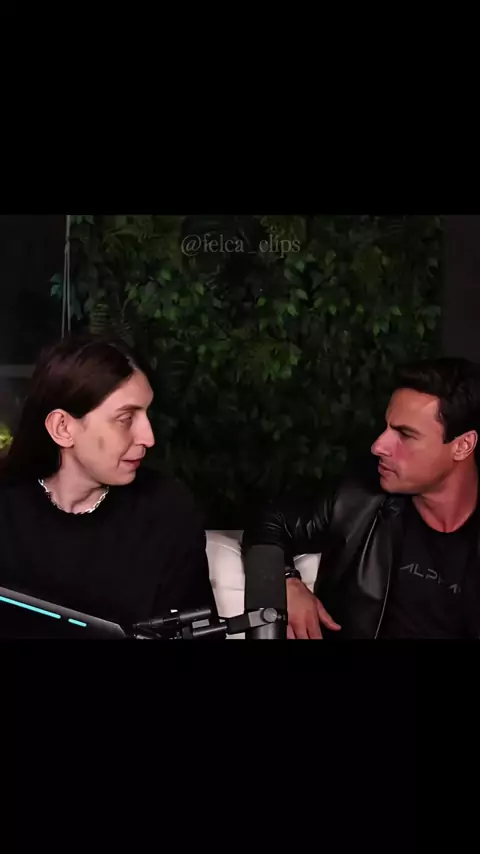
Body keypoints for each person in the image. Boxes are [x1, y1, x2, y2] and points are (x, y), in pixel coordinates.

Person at [241, 357, 480, 639]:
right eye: (386, 427)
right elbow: (268, 520)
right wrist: (285, 583)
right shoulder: (359, 499)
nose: (378, 445)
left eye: (405, 435)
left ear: (463, 446)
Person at [0, 332, 217, 636]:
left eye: (146, 414)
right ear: (63, 428)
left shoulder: (168, 510)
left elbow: (196, 629)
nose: (148, 437)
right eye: (126, 418)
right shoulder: (7, 506)